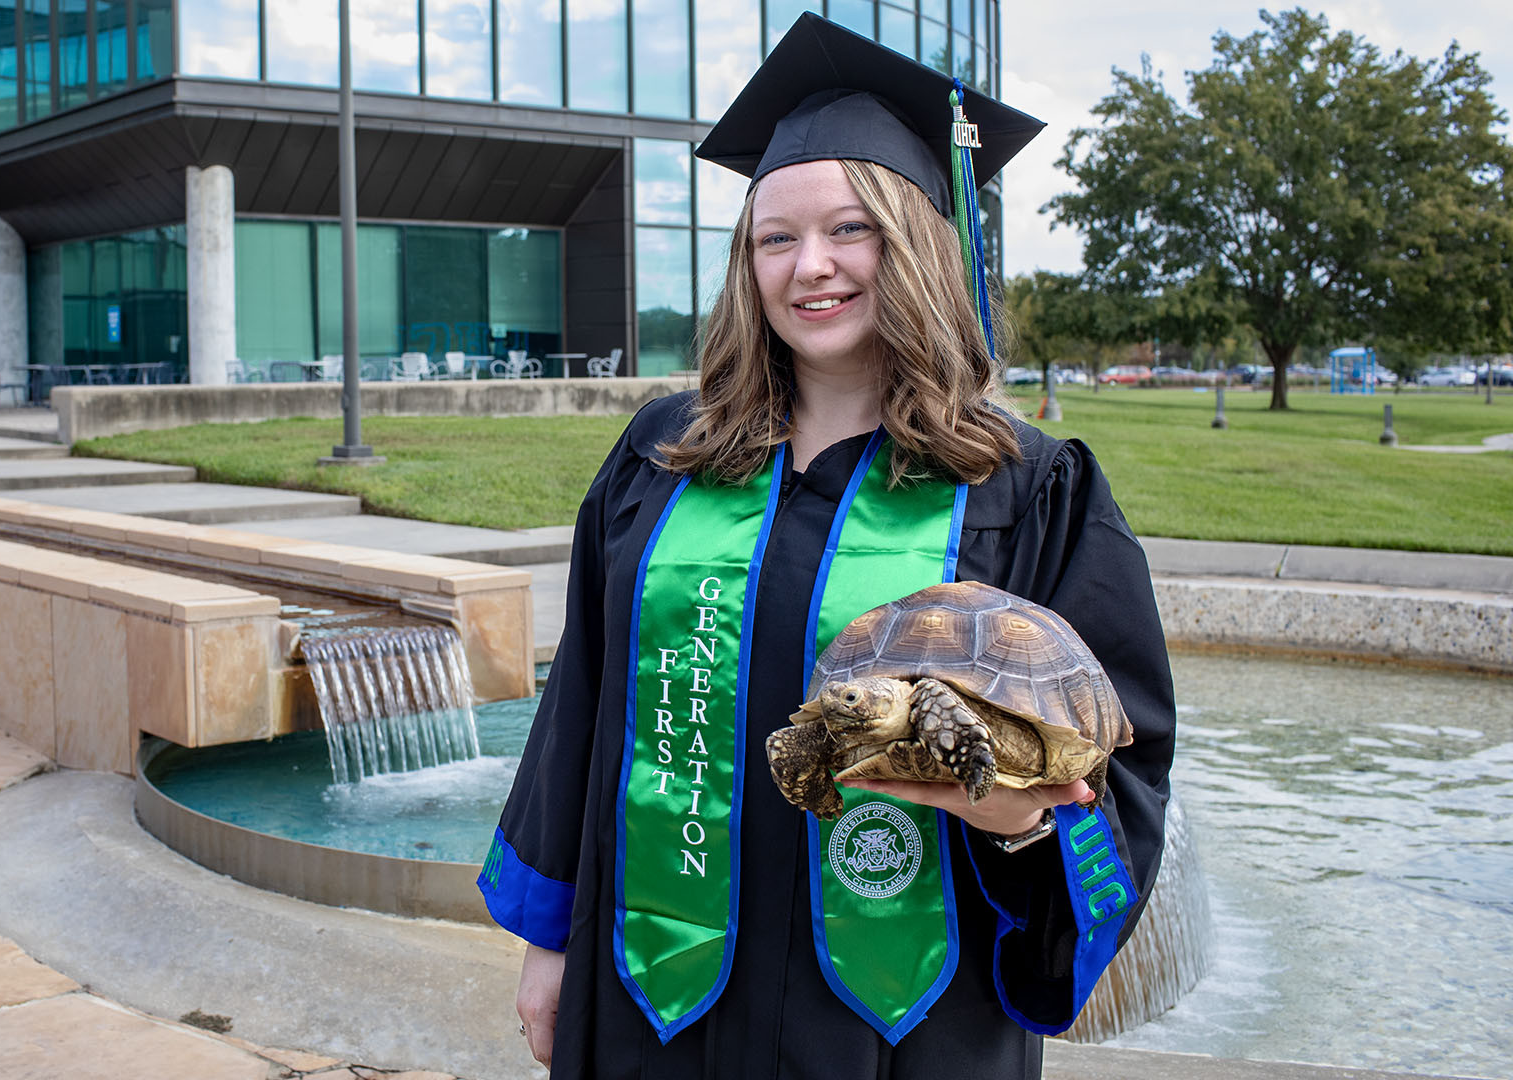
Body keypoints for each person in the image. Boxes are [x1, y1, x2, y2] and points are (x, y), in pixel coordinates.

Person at [477, 14, 1175, 1078]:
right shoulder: (664, 458)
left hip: (904, 1024)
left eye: (853, 230)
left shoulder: (1027, 489)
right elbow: (585, 699)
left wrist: (1024, 822)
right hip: (653, 995)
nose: (812, 268)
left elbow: (1117, 752)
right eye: (776, 238)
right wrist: (548, 941)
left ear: (922, 243)